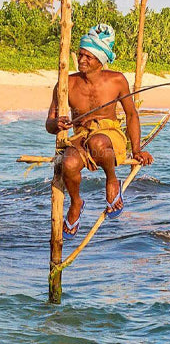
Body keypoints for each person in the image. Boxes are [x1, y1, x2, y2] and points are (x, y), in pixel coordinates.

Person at [46, 24, 154, 235]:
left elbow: (131, 114)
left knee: (97, 142)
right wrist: (56, 123)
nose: (82, 60)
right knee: (68, 164)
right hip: (80, 136)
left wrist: (137, 149)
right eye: (80, 54)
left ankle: (112, 179)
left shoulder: (117, 80)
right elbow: (49, 123)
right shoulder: (66, 83)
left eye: (89, 56)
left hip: (109, 134)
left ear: (101, 60)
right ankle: (76, 202)